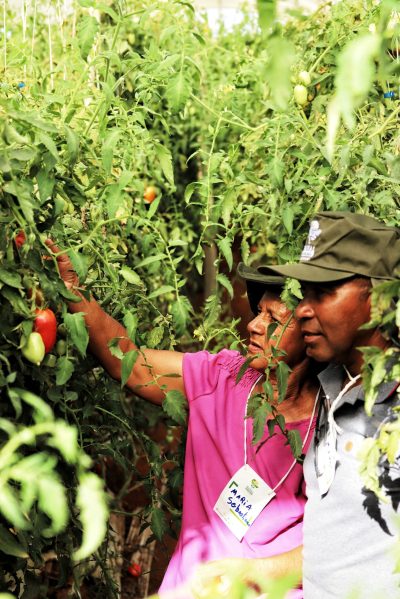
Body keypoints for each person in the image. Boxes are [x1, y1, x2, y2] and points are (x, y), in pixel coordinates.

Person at [49, 242, 320, 598]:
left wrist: (249, 574)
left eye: (273, 318)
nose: (254, 324)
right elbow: (126, 360)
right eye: (258, 312)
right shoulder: (221, 378)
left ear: (310, 332)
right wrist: (72, 288)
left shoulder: (328, 422)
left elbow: (340, 545)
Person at [252, 211, 400, 598]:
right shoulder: (331, 387)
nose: (302, 308)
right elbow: (343, 543)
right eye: (304, 293)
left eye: (324, 292)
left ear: (381, 297)